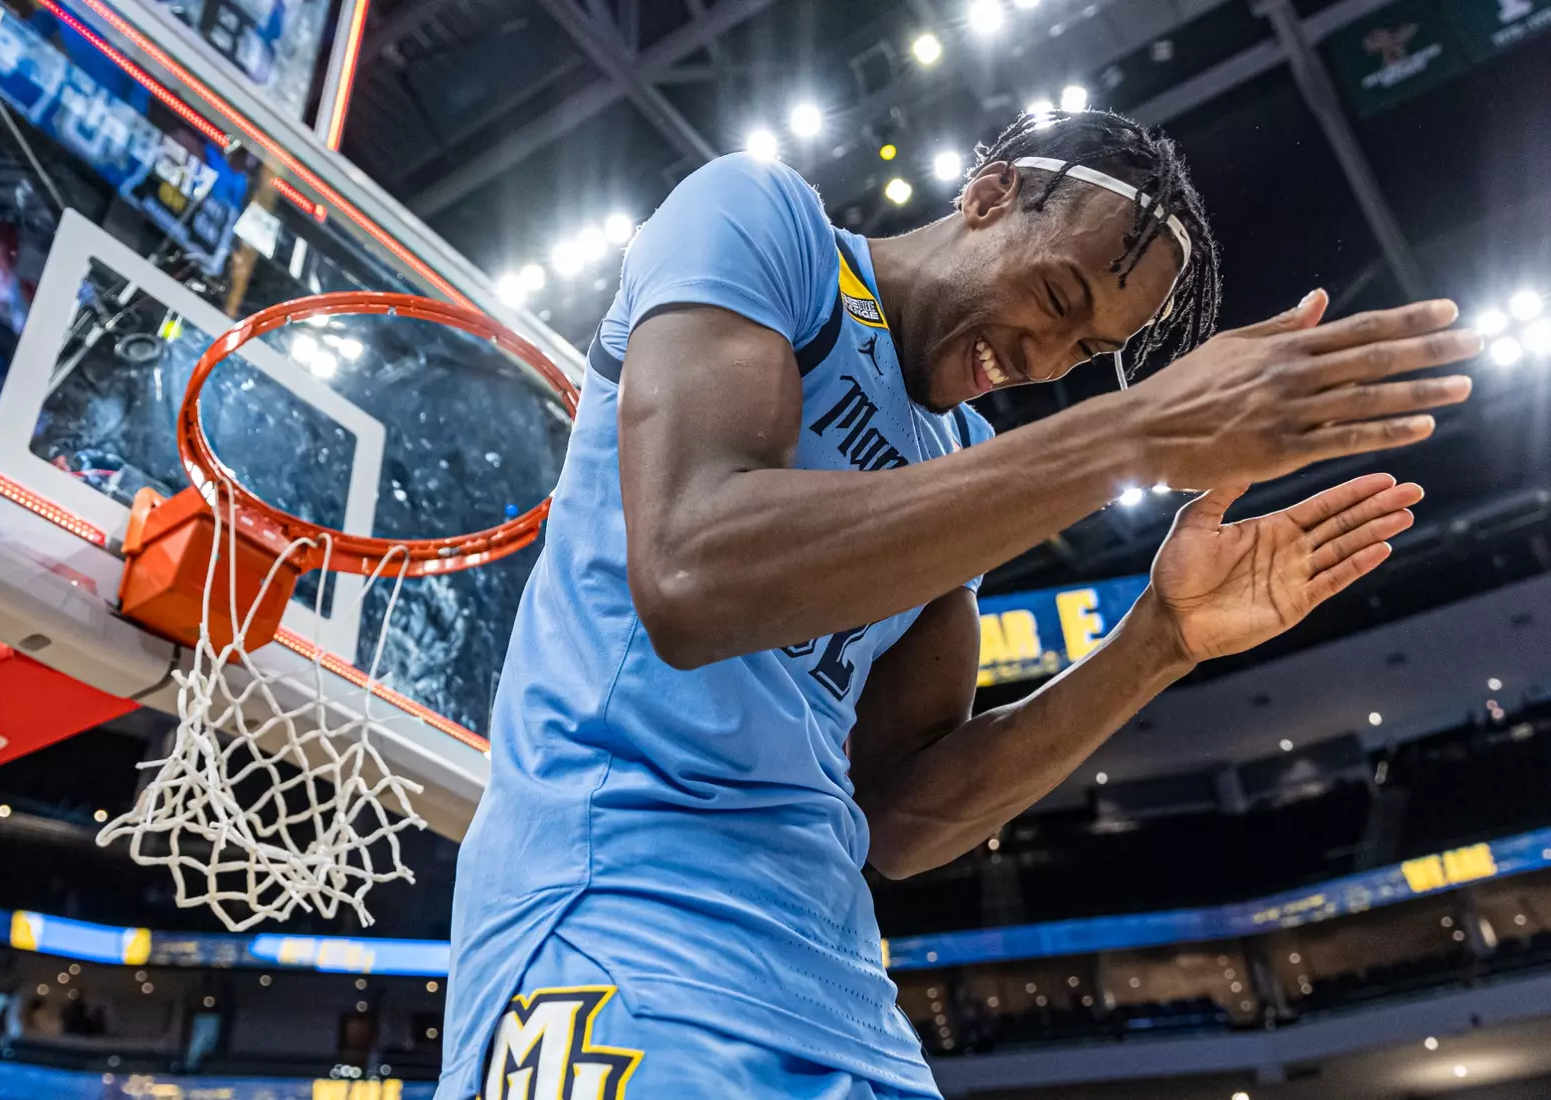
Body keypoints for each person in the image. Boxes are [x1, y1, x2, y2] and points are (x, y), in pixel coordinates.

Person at [438, 110, 1478, 1099]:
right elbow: (692, 576)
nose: (1040, 360)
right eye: (1061, 297)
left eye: (1083, 356)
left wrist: (1156, 644)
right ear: (990, 194)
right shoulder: (764, 222)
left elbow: (896, 813)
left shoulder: (963, 462)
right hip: (610, 910)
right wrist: (1132, 434)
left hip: (831, 983)